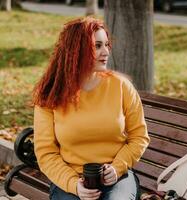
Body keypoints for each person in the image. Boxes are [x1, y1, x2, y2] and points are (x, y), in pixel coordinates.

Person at [32, 16, 150, 200]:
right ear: (76, 50)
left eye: (106, 44)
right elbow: (46, 153)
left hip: (117, 179)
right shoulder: (51, 94)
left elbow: (139, 137)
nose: (106, 52)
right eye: (97, 46)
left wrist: (117, 168)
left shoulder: (121, 86)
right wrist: (74, 185)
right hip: (70, 180)